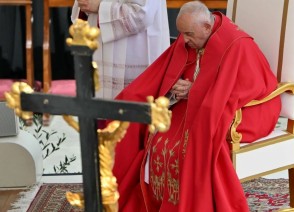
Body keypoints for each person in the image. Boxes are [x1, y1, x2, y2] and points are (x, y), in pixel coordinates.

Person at [111, 1, 282, 211]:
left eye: (189, 34)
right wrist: (175, 84)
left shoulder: (237, 44)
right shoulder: (194, 36)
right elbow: (169, 72)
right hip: (198, 106)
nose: (184, 40)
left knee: (189, 144)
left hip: (246, 112)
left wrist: (195, 90)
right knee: (156, 136)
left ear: (207, 27)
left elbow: (246, 88)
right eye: (182, 33)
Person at [71, 0, 170, 99]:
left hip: (134, 49)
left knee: (132, 107)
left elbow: (141, 14)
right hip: (98, 45)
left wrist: (100, 7)